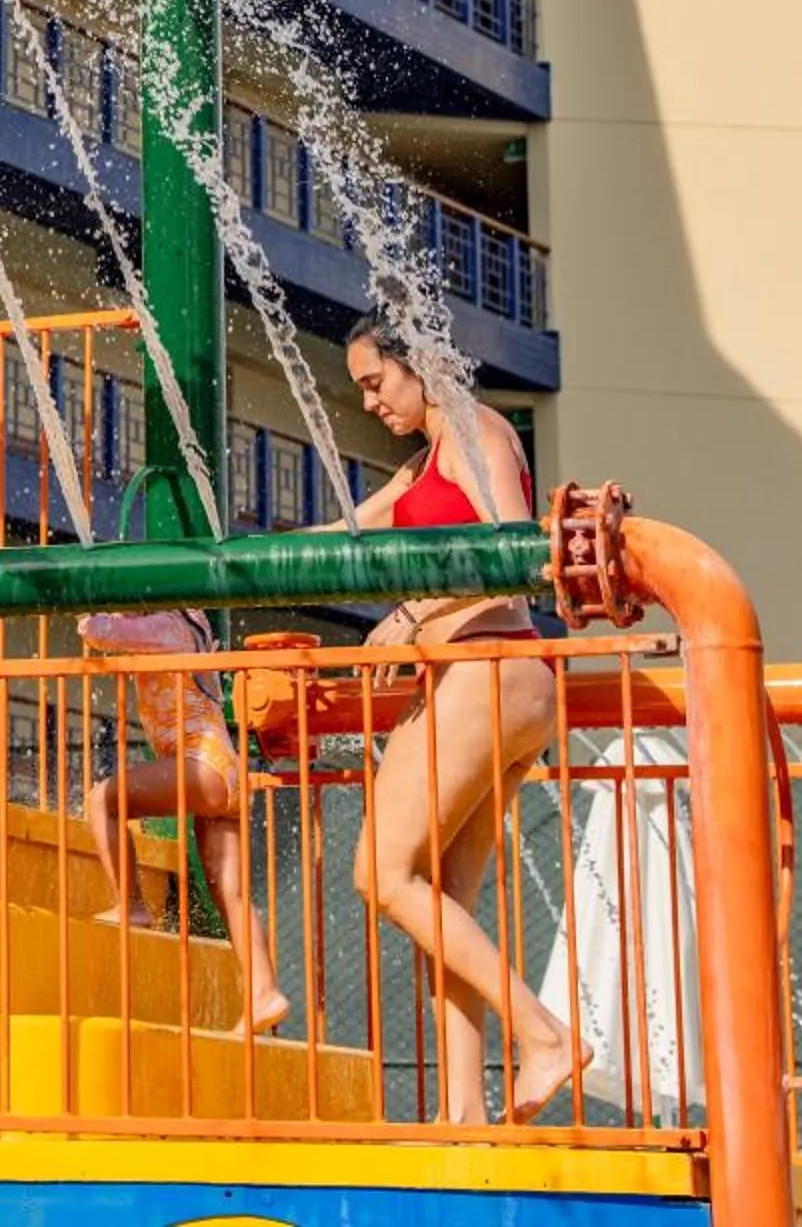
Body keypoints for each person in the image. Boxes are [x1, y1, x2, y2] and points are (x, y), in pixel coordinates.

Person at [338, 316, 585, 1124]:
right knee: (441, 901)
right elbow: (339, 530)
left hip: (490, 672)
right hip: (490, 684)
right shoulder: (420, 467)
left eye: (376, 382)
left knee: (381, 874)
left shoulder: (478, 431)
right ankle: (463, 1114)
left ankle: (543, 1035)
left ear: (417, 364)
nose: (370, 402)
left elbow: (510, 554)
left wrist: (409, 614)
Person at [77, 604, 288, 1032]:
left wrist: (92, 605)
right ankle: (264, 990)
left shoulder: (167, 625)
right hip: (223, 771)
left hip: (201, 764)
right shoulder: (189, 625)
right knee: (230, 893)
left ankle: (131, 904)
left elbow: (98, 631)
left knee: (103, 801)